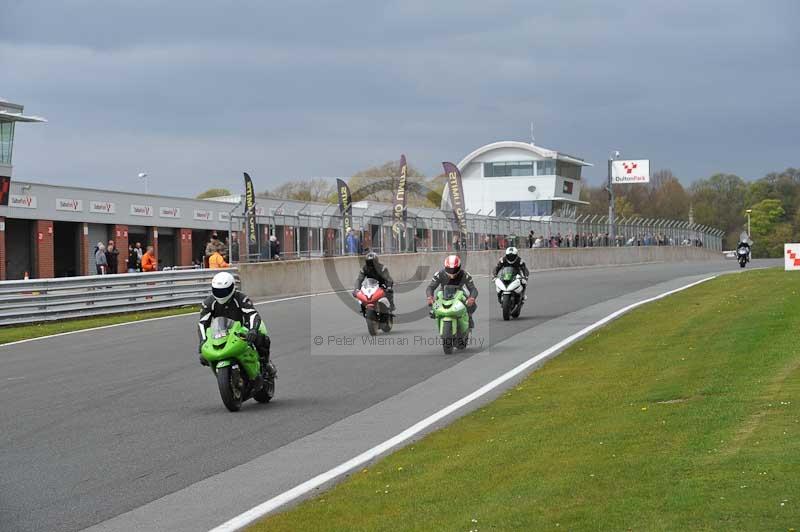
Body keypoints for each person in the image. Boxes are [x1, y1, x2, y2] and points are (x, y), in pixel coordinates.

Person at [197, 271, 276, 381]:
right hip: (221, 331)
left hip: (243, 328)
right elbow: (202, 323)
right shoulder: (209, 302)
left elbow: (252, 314)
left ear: (232, 288)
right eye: (218, 291)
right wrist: (202, 343)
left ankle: (265, 363)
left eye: (224, 291)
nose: (221, 294)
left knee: (261, 337)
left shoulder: (241, 298)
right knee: (205, 355)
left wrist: (253, 330)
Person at [426, 255, 478, 329]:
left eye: (455, 269)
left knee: (471, 303)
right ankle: (435, 313)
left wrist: (472, 298)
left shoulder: (465, 275)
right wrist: (429, 297)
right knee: (436, 298)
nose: (452, 272)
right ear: (445, 267)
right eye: (449, 269)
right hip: (444, 292)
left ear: (459, 267)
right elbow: (431, 287)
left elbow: (473, 289)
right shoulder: (439, 274)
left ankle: (469, 316)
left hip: (459, 292)